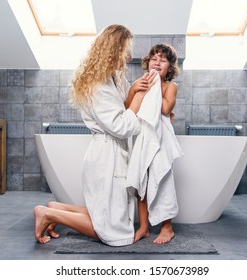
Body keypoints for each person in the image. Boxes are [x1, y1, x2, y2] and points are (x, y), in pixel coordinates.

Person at [34, 24, 156, 245]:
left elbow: (121, 109)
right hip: (106, 158)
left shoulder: (114, 77)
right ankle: (48, 213)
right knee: (116, 235)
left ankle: (58, 208)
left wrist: (132, 91)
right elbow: (120, 125)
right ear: (113, 49)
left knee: (108, 218)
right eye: (124, 50)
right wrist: (139, 98)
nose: (128, 57)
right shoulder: (98, 84)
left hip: (112, 153)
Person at [126, 43, 181, 244]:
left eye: (163, 60)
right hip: (143, 137)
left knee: (162, 179)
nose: (157, 62)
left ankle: (167, 227)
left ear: (170, 68)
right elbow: (128, 109)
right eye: (154, 59)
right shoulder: (141, 83)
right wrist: (133, 89)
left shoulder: (169, 86)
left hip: (160, 140)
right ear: (148, 63)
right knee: (142, 180)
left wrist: (156, 86)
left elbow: (166, 109)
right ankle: (144, 226)